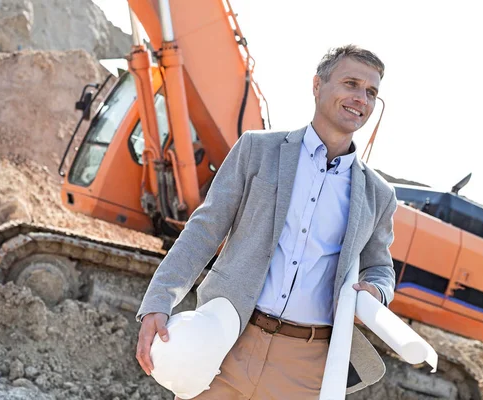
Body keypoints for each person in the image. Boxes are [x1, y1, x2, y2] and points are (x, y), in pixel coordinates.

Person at [136, 44, 398, 399]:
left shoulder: (379, 194)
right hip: (228, 339)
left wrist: (377, 292)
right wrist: (158, 301)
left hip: (305, 363)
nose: (361, 98)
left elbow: (380, 267)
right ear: (317, 85)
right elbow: (204, 229)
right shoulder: (257, 150)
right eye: (351, 83)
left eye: (371, 92)